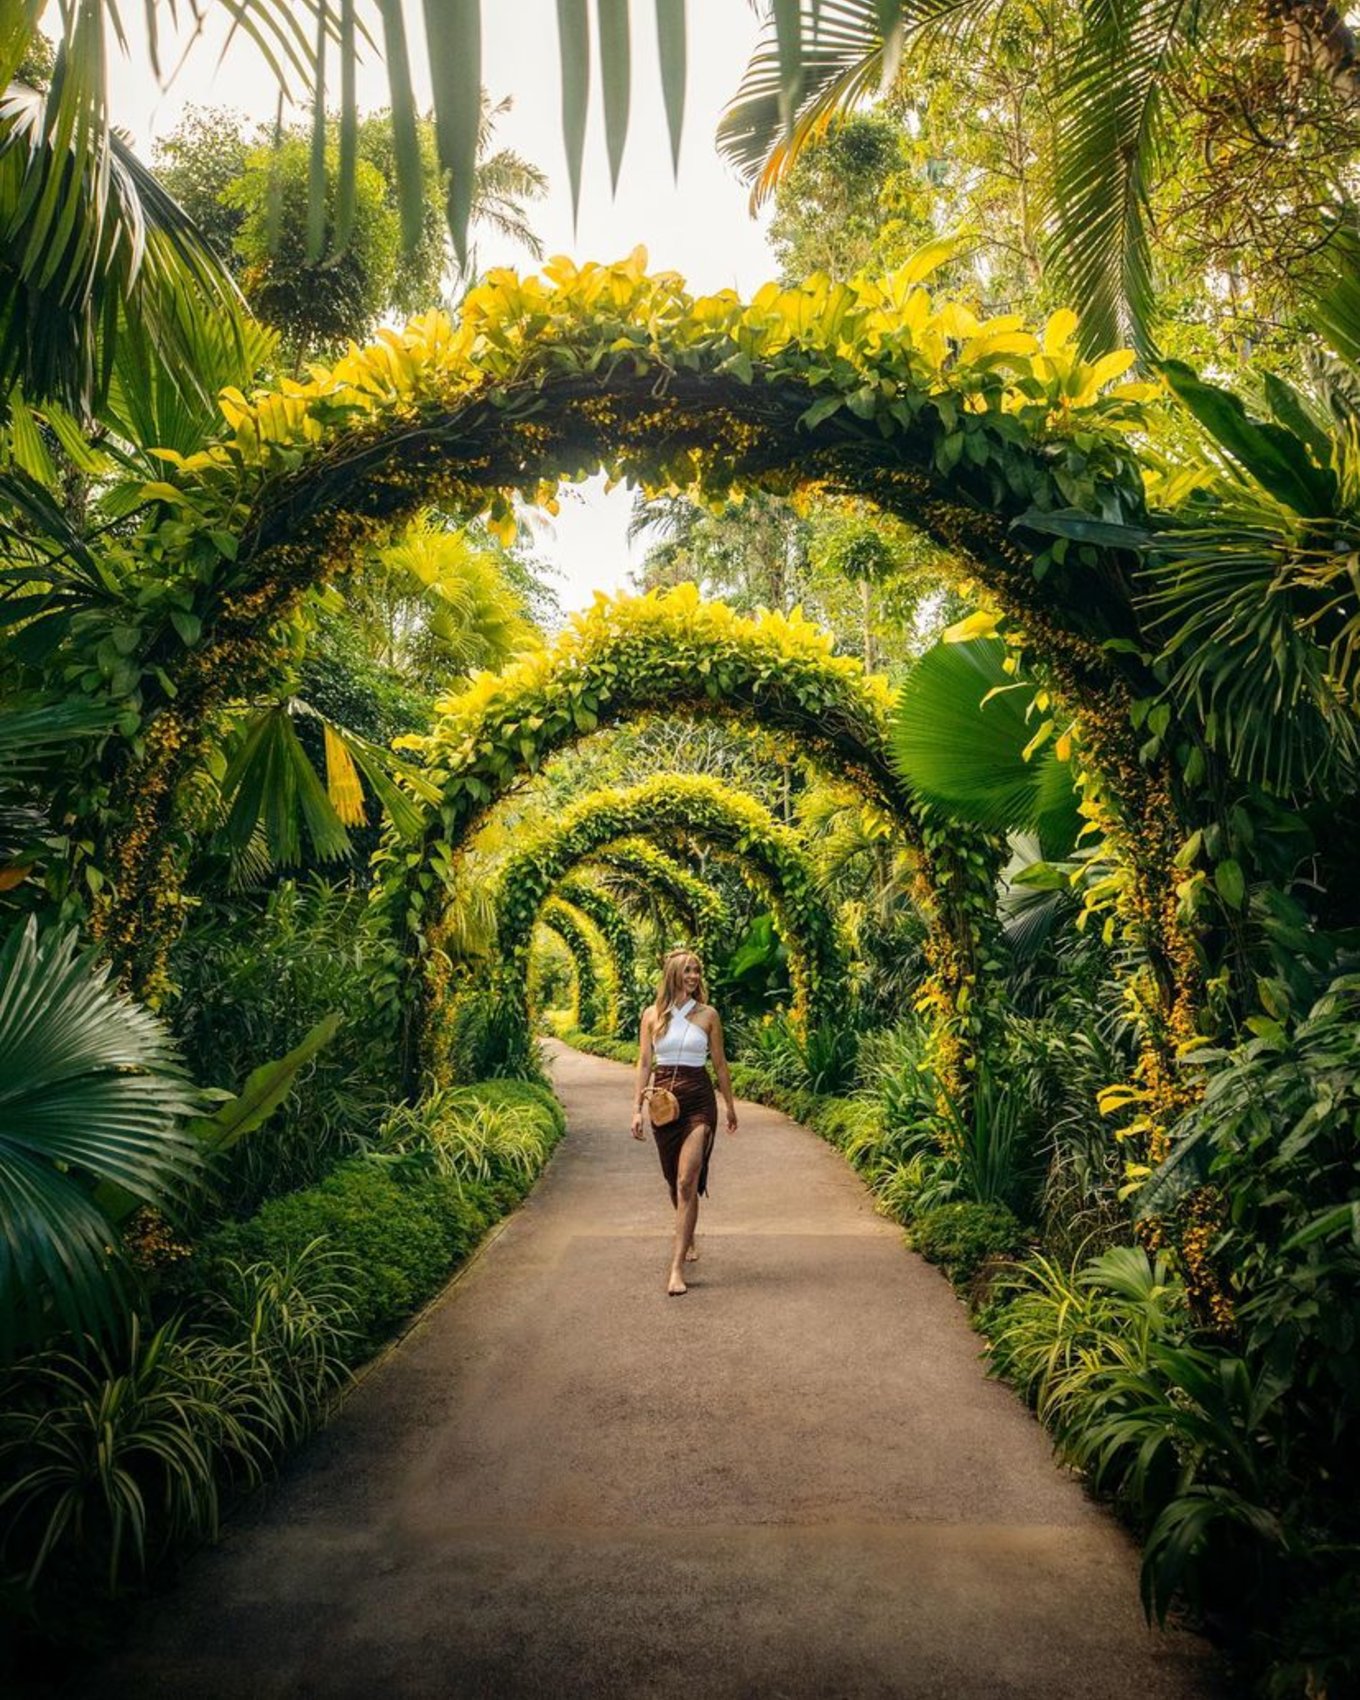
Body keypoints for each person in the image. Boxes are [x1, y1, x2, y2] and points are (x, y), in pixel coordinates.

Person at [631, 950, 739, 1295]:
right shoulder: (652, 1015)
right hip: (662, 1101)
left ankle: (676, 1269)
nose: (694, 976)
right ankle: (687, 1233)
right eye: (688, 971)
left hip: (698, 1099)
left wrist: (730, 1106)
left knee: (685, 1180)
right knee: (671, 1179)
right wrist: (636, 1108)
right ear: (674, 974)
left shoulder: (708, 1015)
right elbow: (644, 1063)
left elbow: (720, 1064)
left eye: (697, 971)